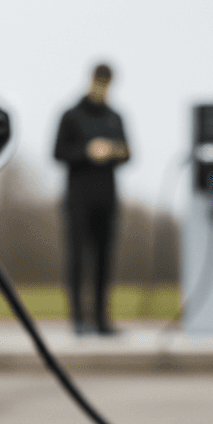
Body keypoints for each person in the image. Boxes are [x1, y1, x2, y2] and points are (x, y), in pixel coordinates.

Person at [53, 64, 131, 335]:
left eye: (106, 83)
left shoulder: (114, 117)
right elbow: (58, 152)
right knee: (77, 257)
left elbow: (127, 153)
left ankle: (101, 320)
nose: (102, 88)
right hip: (78, 197)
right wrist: (88, 151)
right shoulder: (71, 115)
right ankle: (78, 319)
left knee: (104, 259)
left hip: (106, 197)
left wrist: (113, 151)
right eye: (99, 82)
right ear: (91, 81)